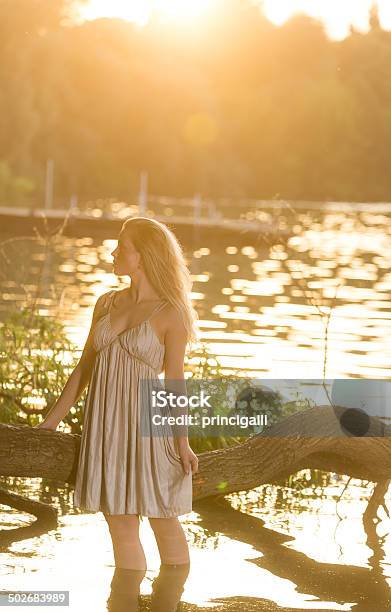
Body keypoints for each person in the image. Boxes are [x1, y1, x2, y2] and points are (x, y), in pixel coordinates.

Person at [37, 217, 199, 611]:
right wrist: (50, 423)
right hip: (106, 431)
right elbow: (83, 369)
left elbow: (175, 384)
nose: (113, 253)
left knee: (163, 519)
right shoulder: (106, 303)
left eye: (122, 247)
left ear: (143, 256)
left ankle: (169, 599)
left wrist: (183, 443)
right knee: (120, 525)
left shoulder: (171, 312)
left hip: (149, 432)